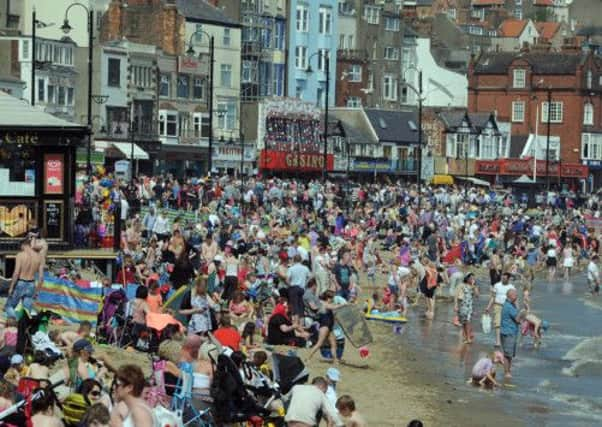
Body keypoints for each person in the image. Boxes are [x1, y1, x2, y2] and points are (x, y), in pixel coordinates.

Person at [6, 237, 43, 318]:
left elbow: (16, 273)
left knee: (9, 306)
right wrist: (37, 291)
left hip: (21, 282)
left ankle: (15, 321)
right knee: (26, 310)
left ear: (23, 245)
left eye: (20, 247)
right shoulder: (38, 257)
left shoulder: (20, 255)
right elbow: (41, 277)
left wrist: (11, 287)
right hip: (31, 284)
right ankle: (23, 325)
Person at [305, 291, 346, 364]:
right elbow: (334, 307)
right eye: (332, 298)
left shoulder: (326, 303)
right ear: (328, 298)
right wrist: (344, 305)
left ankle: (335, 360)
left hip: (329, 327)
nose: (333, 299)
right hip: (324, 326)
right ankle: (308, 358)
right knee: (319, 343)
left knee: (334, 344)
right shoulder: (323, 303)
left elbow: (333, 306)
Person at [485, 272, 516, 348]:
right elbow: (493, 297)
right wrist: (488, 307)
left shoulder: (512, 287)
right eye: (502, 278)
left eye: (505, 278)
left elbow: (514, 299)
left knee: (506, 323)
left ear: (508, 279)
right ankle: (498, 341)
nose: (503, 279)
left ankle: (505, 340)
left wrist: (516, 309)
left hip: (507, 306)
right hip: (497, 305)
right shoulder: (497, 285)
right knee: (497, 323)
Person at [500, 289, 521, 379]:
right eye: (515, 295)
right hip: (508, 332)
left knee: (510, 354)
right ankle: (506, 372)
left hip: (509, 331)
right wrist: (522, 312)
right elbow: (518, 319)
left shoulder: (509, 305)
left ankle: (508, 371)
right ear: (510, 296)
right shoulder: (509, 306)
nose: (517, 297)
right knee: (507, 354)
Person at [287, 254, 311, 328]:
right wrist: (305, 283)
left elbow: (287, 279)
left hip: (294, 288)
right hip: (302, 288)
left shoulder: (291, 268)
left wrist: (290, 285)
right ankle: (301, 324)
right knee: (301, 307)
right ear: (301, 260)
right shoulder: (305, 268)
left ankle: (295, 325)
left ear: (294, 260)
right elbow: (310, 277)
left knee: (294, 307)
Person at [454, 273, 479, 344]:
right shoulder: (461, 285)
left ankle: (468, 338)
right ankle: (466, 337)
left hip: (469, 306)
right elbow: (456, 296)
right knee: (463, 322)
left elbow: (477, 295)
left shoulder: (473, 287)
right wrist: (455, 305)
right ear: (467, 278)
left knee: (468, 321)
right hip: (462, 305)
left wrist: (474, 286)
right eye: (471, 278)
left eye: (473, 278)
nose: (472, 280)